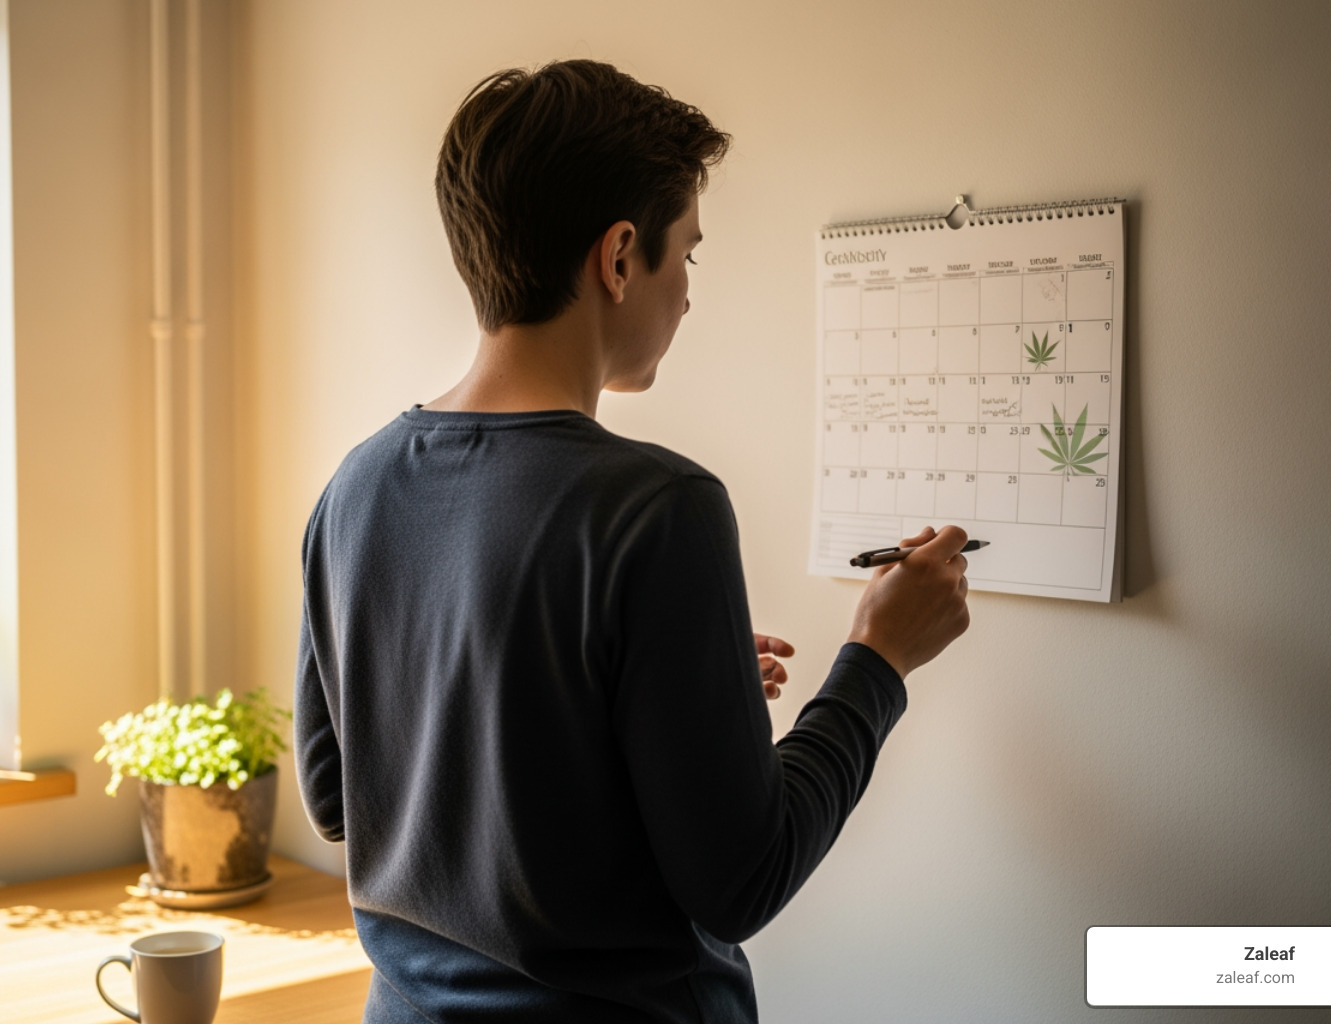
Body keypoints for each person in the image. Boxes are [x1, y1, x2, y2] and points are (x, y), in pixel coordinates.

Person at [294, 59, 971, 1024]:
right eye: (686, 253)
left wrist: (617, 698)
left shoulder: (353, 488)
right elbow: (742, 882)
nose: (688, 292)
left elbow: (342, 796)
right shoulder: (659, 508)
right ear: (619, 257)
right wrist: (878, 657)